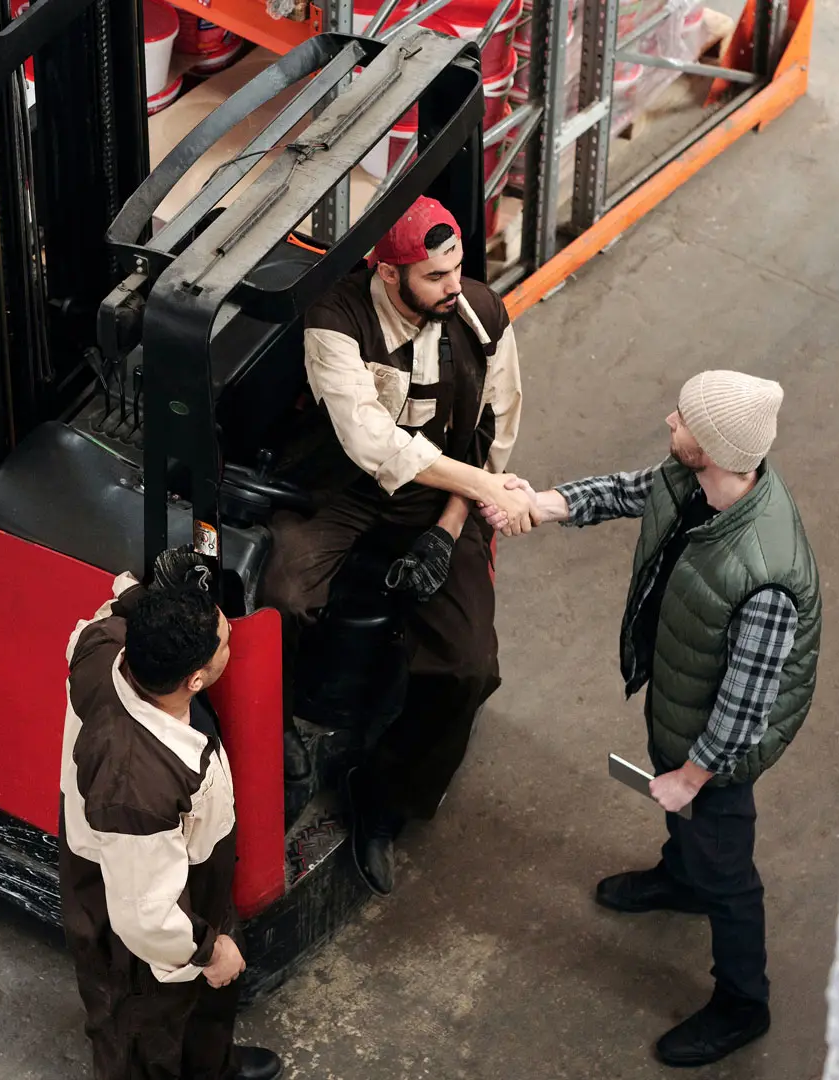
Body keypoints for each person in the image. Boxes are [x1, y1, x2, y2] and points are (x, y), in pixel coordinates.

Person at [484, 370, 823, 1067]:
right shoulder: (692, 479)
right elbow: (627, 491)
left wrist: (696, 777)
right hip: (680, 696)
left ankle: (741, 1002)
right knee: (681, 813)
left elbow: (746, 703)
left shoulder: (767, 576)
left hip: (718, 748)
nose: (670, 420)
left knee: (729, 875)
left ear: (720, 449)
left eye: (684, 420)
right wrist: (544, 503)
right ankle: (681, 876)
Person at [265, 195, 535, 895]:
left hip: (441, 495)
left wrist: (449, 529)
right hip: (346, 486)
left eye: (457, 269)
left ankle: (382, 795)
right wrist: (480, 483)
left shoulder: (483, 319)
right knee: (281, 593)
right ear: (388, 273)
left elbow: (494, 440)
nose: (454, 288)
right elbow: (368, 442)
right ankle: (279, 738)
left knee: (471, 666)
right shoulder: (335, 319)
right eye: (434, 277)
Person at [58, 553, 284, 1080]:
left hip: (182, 875)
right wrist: (208, 950)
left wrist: (156, 593)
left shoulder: (104, 646)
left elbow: (113, 610)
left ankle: (213, 1068)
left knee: (202, 1012)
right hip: (137, 915)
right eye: (226, 641)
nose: (233, 643)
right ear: (198, 679)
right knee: (143, 1030)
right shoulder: (136, 783)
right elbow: (144, 916)